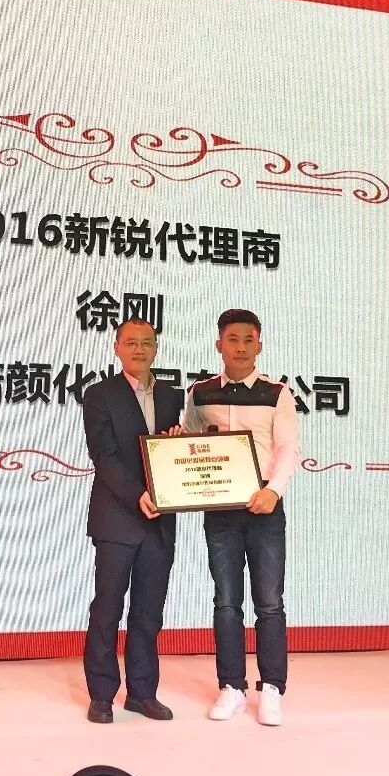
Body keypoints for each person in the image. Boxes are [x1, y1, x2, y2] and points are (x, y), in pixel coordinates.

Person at [183, 308, 300, 726]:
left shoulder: (277, 393)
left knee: (269, 603)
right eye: (232, 339)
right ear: (219, 344)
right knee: (226, 602)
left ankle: (272, 689)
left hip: (264, 507)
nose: (241, 347)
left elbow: (287, 448)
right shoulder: (199, 393)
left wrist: (273, 490)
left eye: (248, 340)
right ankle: (231, 686)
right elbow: (190, 442)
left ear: (259, 345)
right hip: (221, 511)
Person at [80, 318, 184, 724]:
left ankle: (142, 693)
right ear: (117, 347)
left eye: (147, 343)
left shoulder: (173, 395)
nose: (140, 350)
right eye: (131, 343)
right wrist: (138, 495)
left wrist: (179, 444)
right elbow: (103, 456)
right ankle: (101, 695)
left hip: (160, 520)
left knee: (148, 613)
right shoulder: (100, 394)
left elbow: (172, 452)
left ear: (156, 348)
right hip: (117, 518)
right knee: (107, 609)